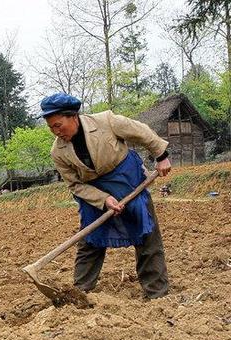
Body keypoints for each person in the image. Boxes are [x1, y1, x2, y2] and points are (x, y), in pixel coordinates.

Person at [39, 93, 171, 299]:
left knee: (145, 232)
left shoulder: (106, 121)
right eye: (51, 128)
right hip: (94, 192)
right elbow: (75, 184)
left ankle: (157, 292)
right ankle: (80, 291)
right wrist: (103, 200)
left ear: (73, 116)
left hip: (127, 180)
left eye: (58, 125)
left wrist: (161, 156)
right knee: (90, 239)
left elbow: (141, 132)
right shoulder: (58, 151)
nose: (56, 132)